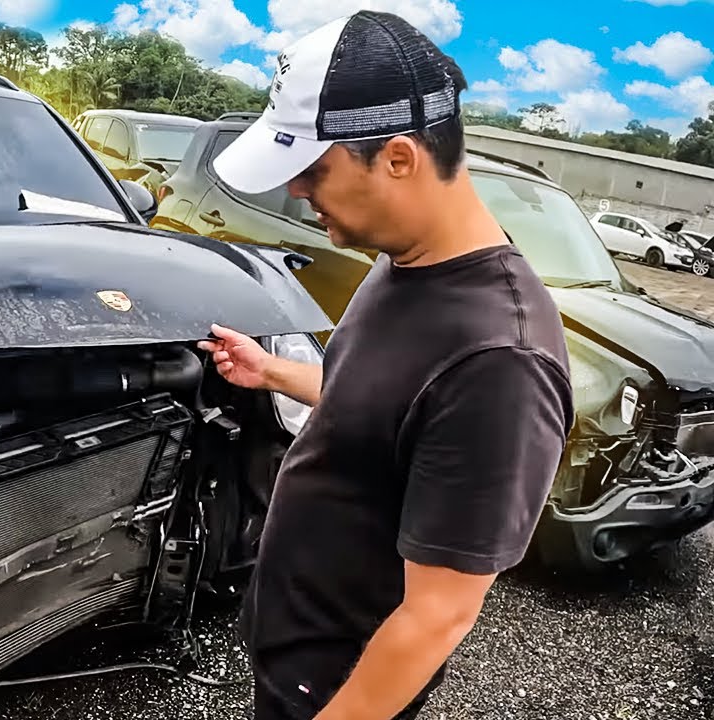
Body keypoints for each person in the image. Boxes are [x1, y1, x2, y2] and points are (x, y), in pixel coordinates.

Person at [196, 10, 576, 720]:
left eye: (313, 172)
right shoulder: (403, 261)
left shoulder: (501, 361)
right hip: (296, 653)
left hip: (343, 691)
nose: (299, 194)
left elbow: (437, 616)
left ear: (399, 158)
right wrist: (272, 372)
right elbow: (386, 412)